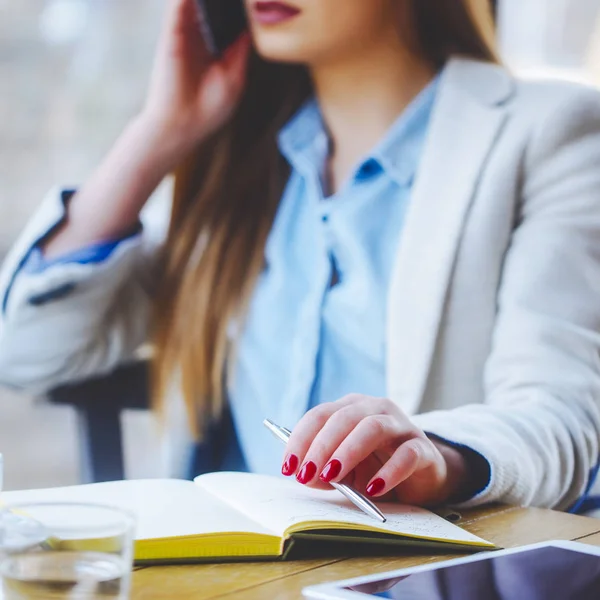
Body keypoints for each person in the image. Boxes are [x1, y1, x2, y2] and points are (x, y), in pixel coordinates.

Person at [1, 0, 600, 511]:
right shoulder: (238, 172)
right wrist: (158, 132)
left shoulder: (550, 133)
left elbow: (558, 414)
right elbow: (22, 351)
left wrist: (437, 457)